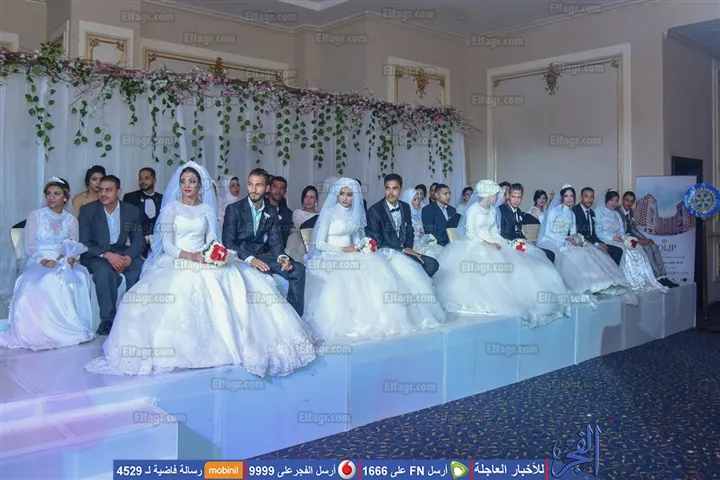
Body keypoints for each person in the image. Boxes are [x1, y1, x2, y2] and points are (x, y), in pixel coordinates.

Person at [84, 162, 316, 377]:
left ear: (199, 185)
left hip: (204, 259)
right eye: (183, 181)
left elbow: (214, 239)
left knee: (236, 282)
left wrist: (212, 253)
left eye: (192, 181)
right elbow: (167, 245)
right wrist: (190, 256)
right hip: (178, 259)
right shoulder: (171, 209)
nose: (187, 185)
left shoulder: (206, 209)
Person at [304, 178, 445, 341]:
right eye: (342, 194)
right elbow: (320, 244)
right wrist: (343, 249)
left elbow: (358, 238)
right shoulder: (329, 213)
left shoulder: (355, 214)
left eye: (349, 194)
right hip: (332, 255)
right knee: (347, 278)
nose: (345, 198)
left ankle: (382, 319)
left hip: (352, 253)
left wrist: (363, 245)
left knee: (376, 273)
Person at [434, 179, 570, 326]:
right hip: (476, 244)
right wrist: (489, 244)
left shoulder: (492, 210)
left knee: (515, 261)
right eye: (495, 194)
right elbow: (471, 234)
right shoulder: (473, 210)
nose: (498, 197)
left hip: (492, 242)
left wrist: (504, 243)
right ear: (488, 194)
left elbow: (494, 232)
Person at [1, 177, 99, 351]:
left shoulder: (71, 220)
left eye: (56, 194)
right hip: (38, 259)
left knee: (78, 276)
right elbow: (30, 245)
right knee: (46, 279)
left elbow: (73, 246)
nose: (51, 197)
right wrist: (42, 260)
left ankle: (70, 326)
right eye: (48, 193)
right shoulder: (35, 215)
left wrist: (70, 258)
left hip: (62, 260)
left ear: (65, 196)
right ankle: (40, 330)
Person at [536, 184, 636, 308]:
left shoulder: (572, 214)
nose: (569, 199)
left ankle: (596, 283)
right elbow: (548, 232)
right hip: (551, 241)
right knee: (574, 254)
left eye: (571, 196)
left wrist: (574, 239)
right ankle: (580, 285)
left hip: (566, 240)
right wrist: (565, 239)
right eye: (566, 196)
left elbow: (573, 232)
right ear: (562, 197)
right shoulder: (553, 211)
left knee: (584, 252)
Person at [222, 168, 306, 315]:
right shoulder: (234, 209)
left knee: (298, 269)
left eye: (258, 185)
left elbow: (275, 241)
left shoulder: (271, 210)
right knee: (265, 277)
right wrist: (250, 259)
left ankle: (294, 317)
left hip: (261, 256)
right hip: (240, 257)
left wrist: (282, 257)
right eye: (250, 184)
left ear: (266, 188)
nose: (253, 190)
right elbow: (228, 243)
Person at [78, 175, 145, 335]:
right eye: (101, 190)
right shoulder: (88, 211)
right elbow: (84, 243)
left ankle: (133, 315)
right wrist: (106, 255)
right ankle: (107, 320)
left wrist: (128, 257)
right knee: (104, 272)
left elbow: (138, 240)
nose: (103, 194)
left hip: (122, 252)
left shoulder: (131, 211)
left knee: (141, 267)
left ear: (118, 192)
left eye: (108, 190)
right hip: (96, 256)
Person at [366, 174, 439, 278]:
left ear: (401, 189)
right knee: (411, 270)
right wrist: (402, 251)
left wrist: (408, 249)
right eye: (388, 188)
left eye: (395, 188)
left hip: (404, 251)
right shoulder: (374, 211)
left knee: (433, 264)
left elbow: (410, 231)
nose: (390, 193)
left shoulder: (405, 207)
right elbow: (376, 242)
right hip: (386, 253)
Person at [595, 189, 668, 293]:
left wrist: (627, 239)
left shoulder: (616, 214)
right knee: (627, 252)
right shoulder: (599, 212)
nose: (614, 203)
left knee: (635, 247)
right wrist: (612, 238)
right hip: (606, 239)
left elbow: (622, 231)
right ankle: (630, 281)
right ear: (606, 200)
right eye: (611, 200)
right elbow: (597, 232)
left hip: (619, 239)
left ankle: (647, 279)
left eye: (616, 201)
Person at [619, 191, 678, 288]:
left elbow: (633, 229)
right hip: (623, 241)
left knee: (653, 246)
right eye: (627, 200)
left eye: (631, 201)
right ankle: (657, 277)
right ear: (622, 199)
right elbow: (621, 233)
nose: (629, 203)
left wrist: (645, 239)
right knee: (647, 248)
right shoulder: (617, 212)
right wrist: (639, 241)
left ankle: (663, 275)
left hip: (631, 238)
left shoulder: (630, 212)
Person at [497, 183, 555, 262]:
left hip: (520, 243)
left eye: (518, 197)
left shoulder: (518, 211)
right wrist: (518, 244)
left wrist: (529, 242)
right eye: (513, 196)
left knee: (550, 254)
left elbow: (519, 232)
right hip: (508, 246)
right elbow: (501, 234)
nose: (516, 200)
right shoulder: (501, 210)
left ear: (522, 198)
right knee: (544, 256)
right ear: (508, 196)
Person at [573, 187, 623, 266]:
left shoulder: (592, 213)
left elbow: (593, 233)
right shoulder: (574, 211)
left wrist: (600, 243)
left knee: (618, 250)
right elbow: (576, 233)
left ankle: (610, 272)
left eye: (591, 197)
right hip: (581, 244)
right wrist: (596, 244)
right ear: (580, 197)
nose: (589, 199)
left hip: (593, 242)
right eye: (586, 196)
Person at [123, 167, 163, 258]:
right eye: (140, 178)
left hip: (158, 244)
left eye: (147, 178)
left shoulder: (162, 198)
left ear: (154, 180)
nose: (143, 181)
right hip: (136, 244)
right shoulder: (130, 197)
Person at [400, 188, 443, 259]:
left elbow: (423, 230)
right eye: (414, 199)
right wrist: (419, 237)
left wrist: (425, 236)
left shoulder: (417, 214)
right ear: (408, 201)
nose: (418, 202)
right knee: (430, 253)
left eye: (418, 199)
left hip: (422, 242)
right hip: (412, 245)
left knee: (441, 250)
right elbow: (405, 234)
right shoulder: (404, 215)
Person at [285, 185, 320, 263]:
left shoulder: (321, 215)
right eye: (306, 197)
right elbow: (304, 227)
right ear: (302, 199)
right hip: (298, 245)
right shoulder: (298, 213)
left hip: (315, 246)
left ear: (316, 200)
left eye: (312, 197)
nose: (308, 200)